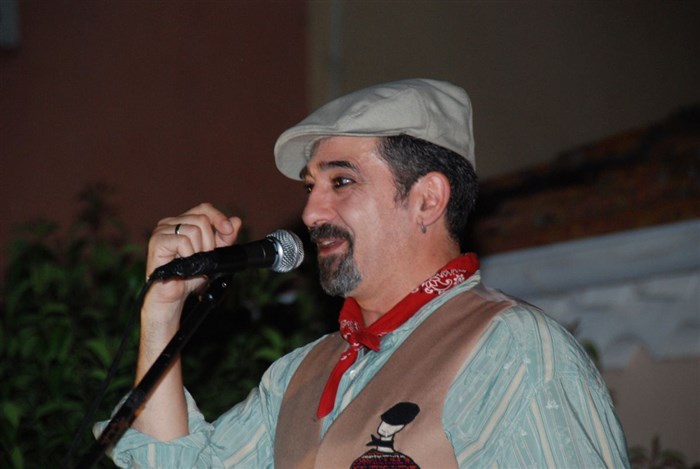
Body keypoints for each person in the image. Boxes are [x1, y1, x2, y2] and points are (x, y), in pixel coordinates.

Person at [96, 78, 630, 468]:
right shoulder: (295, 376)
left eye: (342, 182)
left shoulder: (514, 350)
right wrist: (163, 312)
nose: (311, 212)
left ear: (427, 199)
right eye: (311, 187)